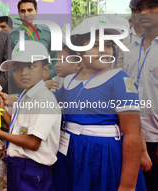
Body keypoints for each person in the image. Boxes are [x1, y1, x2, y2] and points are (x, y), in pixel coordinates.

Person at [53, 16, 146, 191]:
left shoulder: (118, 79)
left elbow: (132, 134)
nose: (104, 51)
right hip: (71, 154)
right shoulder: (68, 81)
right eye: (95, 45)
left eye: (108, 45)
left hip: (104, 157)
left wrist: (127, 185)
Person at [0, 40, 61, 191]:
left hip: (32, 170)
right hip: (19, 166)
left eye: (31, 66)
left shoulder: (43, 99)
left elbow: (32, 143)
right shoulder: (27, 94)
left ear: (45, 70)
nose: (23, 72)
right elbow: (17, 128)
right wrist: (2, 109)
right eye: (18, 67)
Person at [125, 0, 158, 191]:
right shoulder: (127, 49)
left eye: (151, 6)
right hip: (128, 134)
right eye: (138, 9)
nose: (143, 12)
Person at [9, 0, 57, 80]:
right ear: (19, 13)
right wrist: (15, 77)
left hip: (43, 84)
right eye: (23, 11)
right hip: (18, 85)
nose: (26, 14)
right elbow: (6, 60)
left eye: (30, 10)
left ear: (36, 11)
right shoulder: (11, 35)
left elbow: (58, 59)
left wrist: (47, 76)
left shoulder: (49, 33)